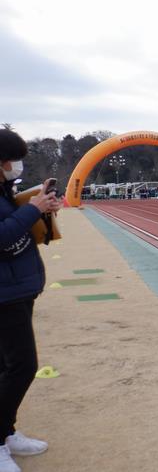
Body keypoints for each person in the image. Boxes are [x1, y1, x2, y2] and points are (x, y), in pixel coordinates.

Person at [1, 128, 61, 472]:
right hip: (4, 292)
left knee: (6, 366)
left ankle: (6, 432)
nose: (16, 165)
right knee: (22, 367)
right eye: (11, 159)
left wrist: (41, 208)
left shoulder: (6, 191)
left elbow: (17, 229)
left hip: (18, 286)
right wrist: (31, 209)